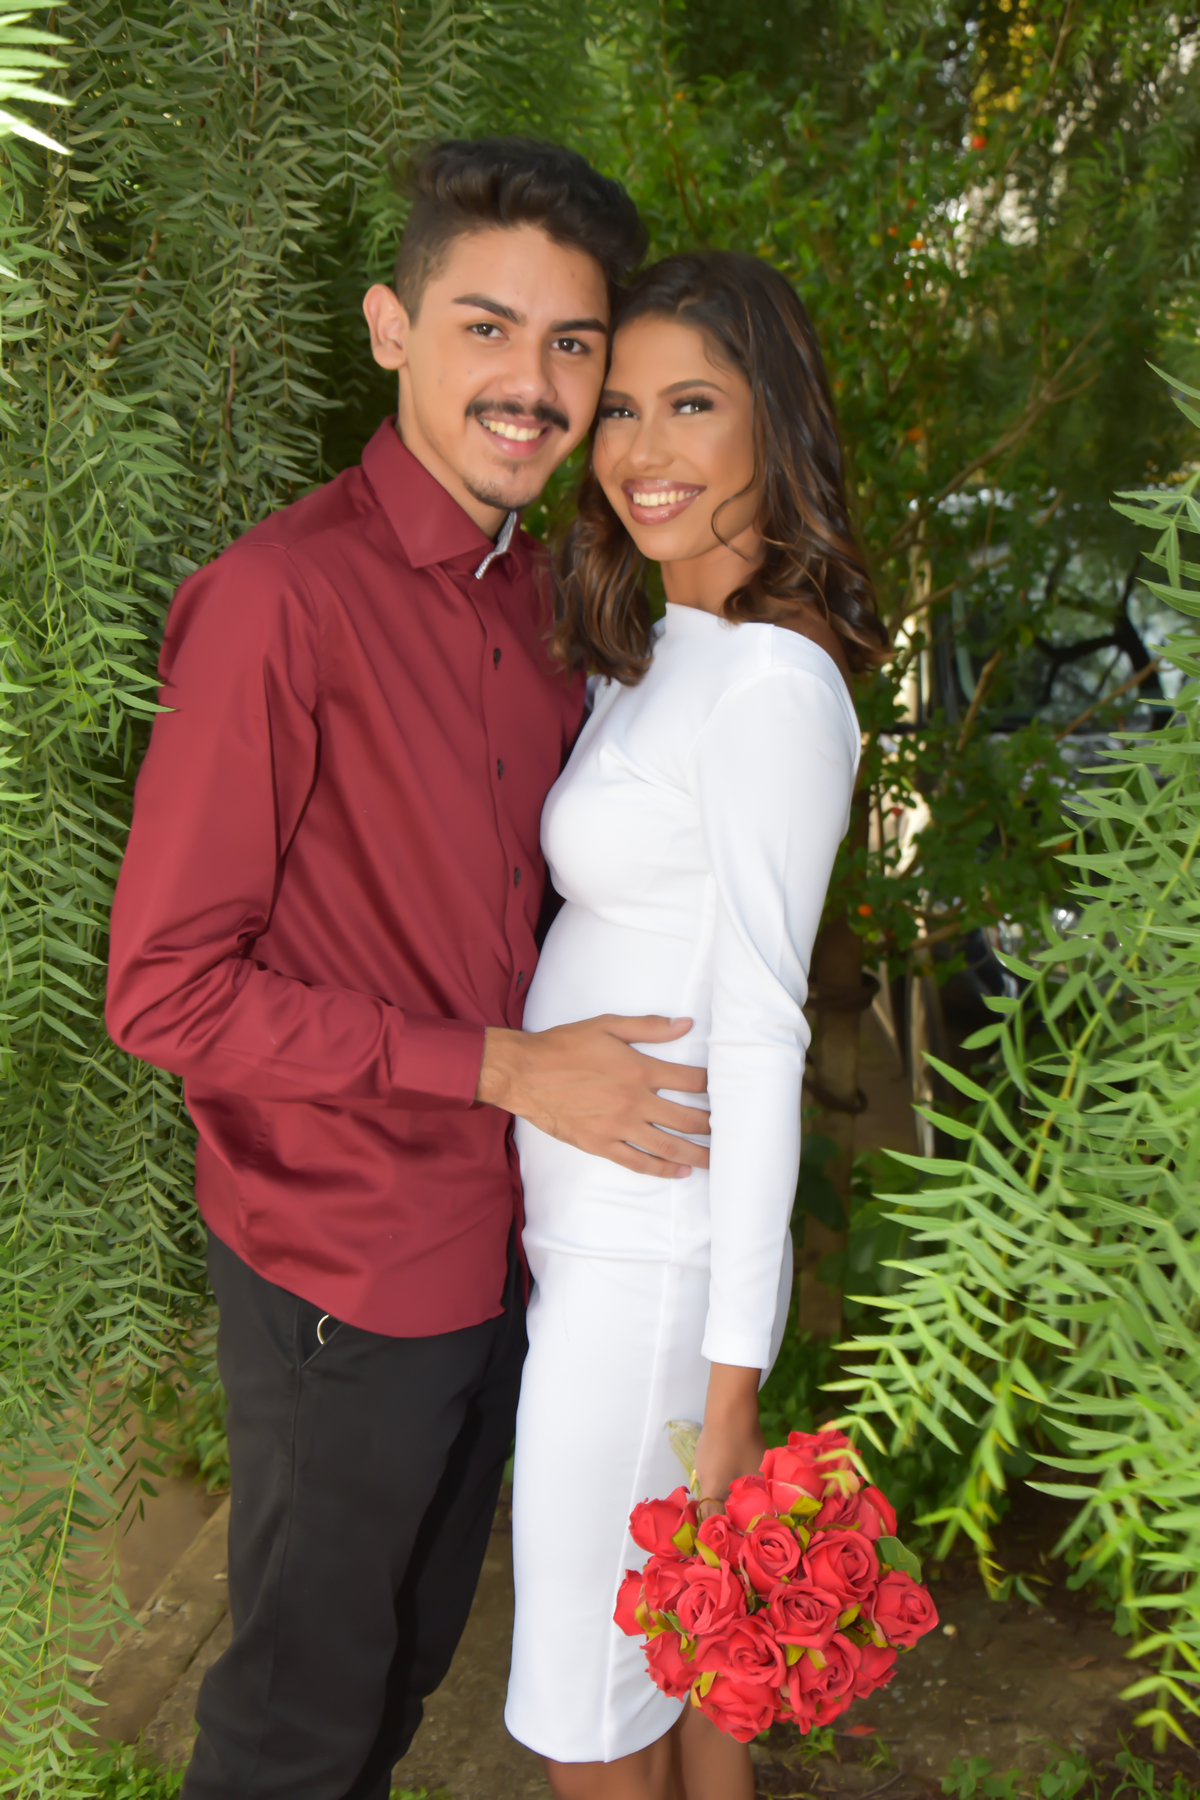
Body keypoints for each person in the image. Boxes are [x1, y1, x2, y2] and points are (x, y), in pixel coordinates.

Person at [105, 139, 715, 1800]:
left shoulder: (551, 602)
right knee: (294, 1735)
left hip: (508, 1247)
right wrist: (506, 1069)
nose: (533, 382)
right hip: (342, 1264)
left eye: (572, 343)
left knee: (398, 1686)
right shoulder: (274, 604)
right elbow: (164, 991)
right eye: (484, 328)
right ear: (390, 327)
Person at [503, 251, 891, 1800]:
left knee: (583, 1712)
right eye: (620, 409)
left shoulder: (772, 684)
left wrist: (732, 1394)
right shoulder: (670, 648)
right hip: (597, 1244)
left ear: (770, 426)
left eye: (692, 406)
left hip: (650, 1266)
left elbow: (757, 1037)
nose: (642, 449)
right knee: (676, 1666)